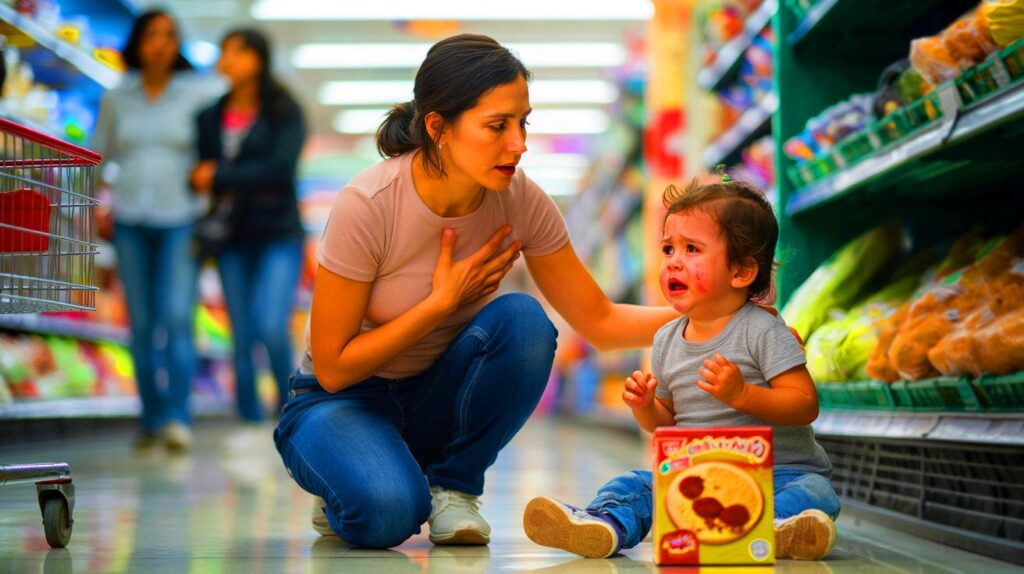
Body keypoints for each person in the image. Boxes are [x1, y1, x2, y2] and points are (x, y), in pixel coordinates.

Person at [272, 33, 683, 549]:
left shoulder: (520, 200)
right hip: (339, 401)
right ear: (438, 127)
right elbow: (332, 367)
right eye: (497, 126)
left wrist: (713, 313)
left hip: (432, 399)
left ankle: (454, 486)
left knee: (523, 320)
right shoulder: (368, 204)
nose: (519, 143)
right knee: (386, 515)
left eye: (522, 122)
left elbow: (598, 320)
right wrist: (440, 304)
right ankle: (351, 480)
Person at [522, 178, 840, 560]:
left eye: (691, 249)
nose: (673, 260)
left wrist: (744, 395)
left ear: (740, 272)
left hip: (777, 472)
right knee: (636, 484)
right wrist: (644, 406)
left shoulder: (765, 330)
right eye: (668, 248)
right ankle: (605, 524)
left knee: (816, 492)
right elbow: (666, 424)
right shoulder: (665, 340)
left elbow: (805, 404)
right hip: (698, 478)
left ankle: (774, 526)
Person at [91, 10, 220, 451]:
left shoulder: (197, 95)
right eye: (152, 35)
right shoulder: (117, 96)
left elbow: (214, 148)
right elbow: (98, 157)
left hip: (181, 220)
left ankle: (177, 418)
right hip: (129, 221)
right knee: (142, 324)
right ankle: (150, 418)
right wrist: (94, 205)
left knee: (176, 319)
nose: (161, 43)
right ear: (138, 43)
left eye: (169, 35)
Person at [192, 29, 306, 423]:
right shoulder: (210, 115)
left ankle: (289, 403)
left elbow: (279, 168)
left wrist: (220, 175)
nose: (227, 60)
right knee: (241, 331)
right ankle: (247, 415)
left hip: (278, 232)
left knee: (272, 323)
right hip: (229, 235)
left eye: (236, 52)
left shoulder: (283, 110)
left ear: (258, 58)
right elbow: (198, 172)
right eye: (223, 52)